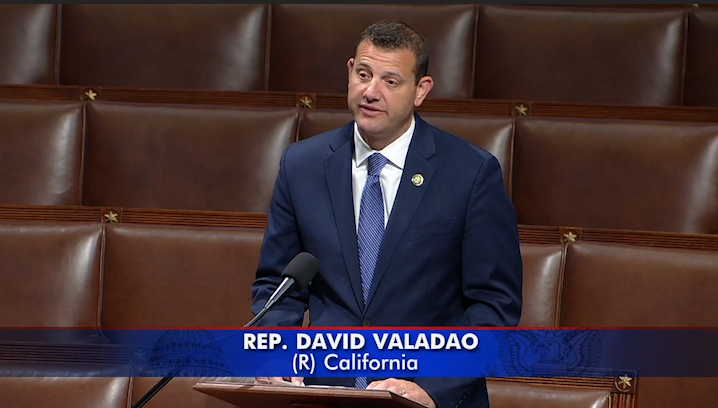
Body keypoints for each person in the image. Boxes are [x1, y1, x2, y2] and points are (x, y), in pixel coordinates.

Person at [250, 19, 523, 408]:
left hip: (428, 397)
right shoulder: (303, 165)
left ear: (420, 91)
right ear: (349, 73)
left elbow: (494, 306)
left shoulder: (470, 173)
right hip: (327, 395)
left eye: (391, 81)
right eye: (364, 74)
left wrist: (430, 385)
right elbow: (279, 287)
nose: (371, 92)